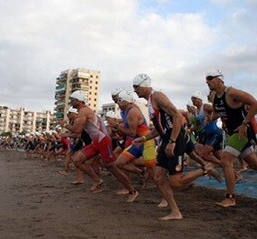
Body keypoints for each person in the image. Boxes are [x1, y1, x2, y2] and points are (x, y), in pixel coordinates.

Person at [206, 68, 257, 207]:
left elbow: (256, 104)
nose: (207, 81)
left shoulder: (231, 93)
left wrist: (244, 123)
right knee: (256, 165)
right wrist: (210, 118)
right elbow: (216, 113)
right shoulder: (215, 98)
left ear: (220, 79)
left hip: (242, 132)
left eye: (210, 78)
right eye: (206, 79)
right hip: (234, 133)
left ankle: (230, 198)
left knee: (225, 161)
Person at [60, 91, 139, 202]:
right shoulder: (82, 111)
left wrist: (64, 125)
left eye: (72, 99)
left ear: (79, 101)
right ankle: (97, 180)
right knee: (77, 160)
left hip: (103, 141)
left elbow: (77, 130)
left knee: (111, 167)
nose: (71, 101)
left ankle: (132, 190)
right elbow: (78, 132)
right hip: (96, 142)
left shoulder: (84, 111)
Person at [132, 73, 184, 220]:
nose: (135, 91)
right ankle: (175, 212)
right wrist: (143, 139)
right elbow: (158, 130)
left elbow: (177, 116)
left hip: (176, 138)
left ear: (144, 85)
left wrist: (172, 141)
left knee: (176, 182)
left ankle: (205, 170)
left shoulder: (158, 96)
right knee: (159, 176)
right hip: (166, 139)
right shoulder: (150, 102)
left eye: (136, 87)